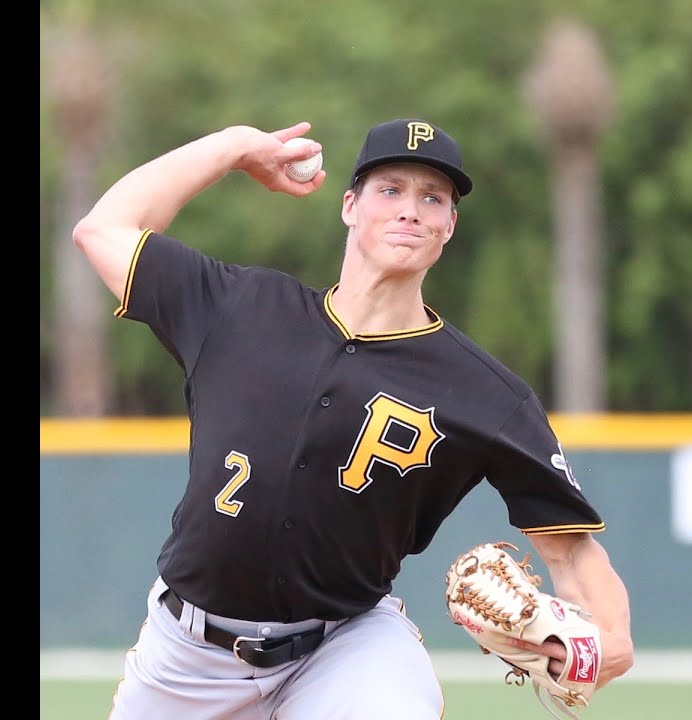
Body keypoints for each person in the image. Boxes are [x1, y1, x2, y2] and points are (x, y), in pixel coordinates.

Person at [72, 117, 635, 719]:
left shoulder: (485, 393)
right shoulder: (239, 309)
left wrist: (612, 646)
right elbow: (103, 228)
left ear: (449, 225)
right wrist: (234, 146)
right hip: (186, 655)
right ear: (349, 206)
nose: (410, 210)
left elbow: (571, 553)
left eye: (432, 198)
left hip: (344, 646)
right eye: (390, 189)